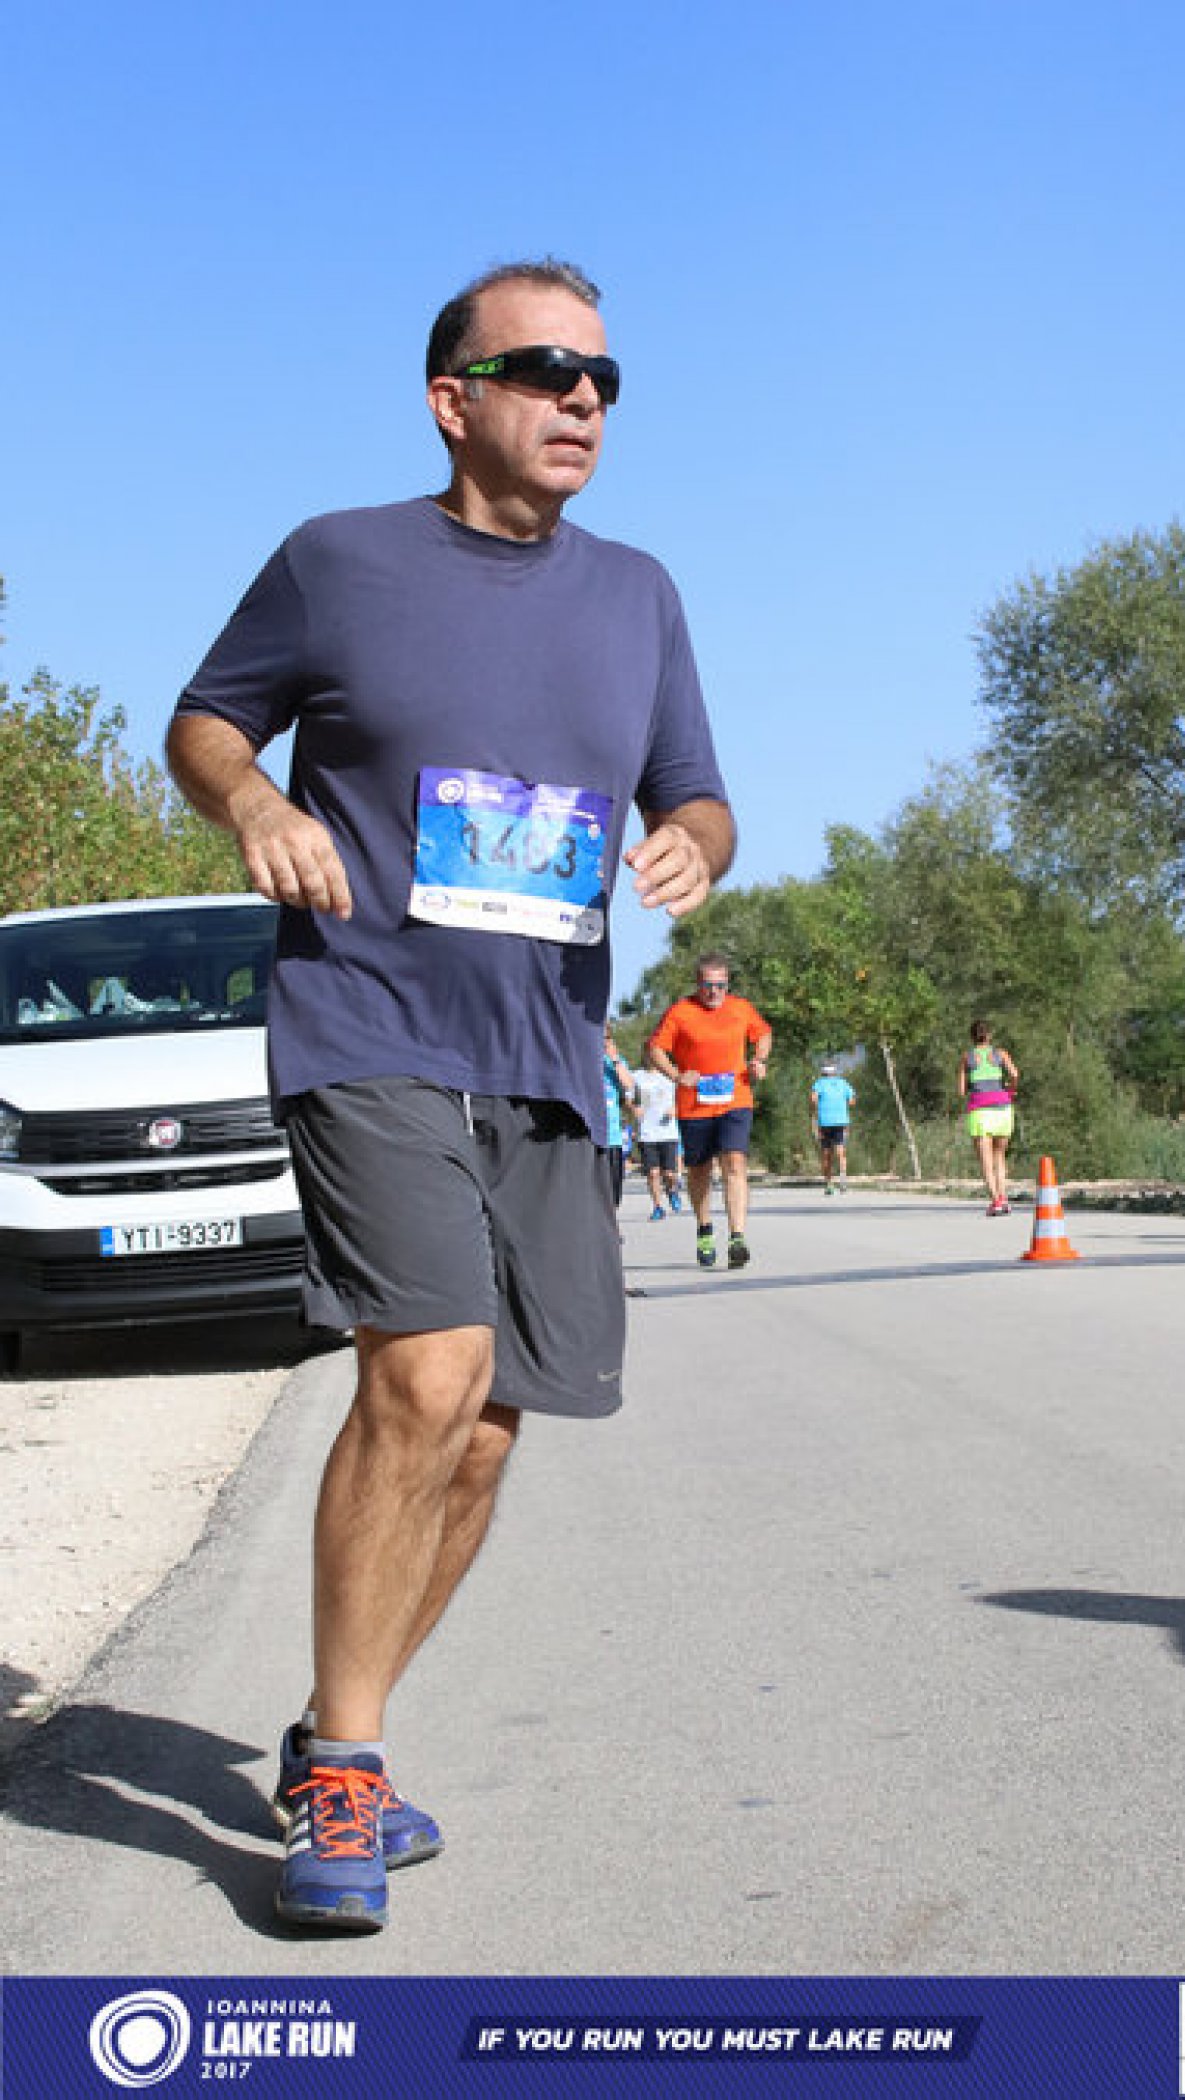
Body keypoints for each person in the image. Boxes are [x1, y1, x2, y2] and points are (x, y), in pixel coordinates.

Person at [165, 257, 734, 1934]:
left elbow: (699, 792)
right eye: (547, 370)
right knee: (426, 1372)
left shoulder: (639, 594)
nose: (583, 400)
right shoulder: (338, 561)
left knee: (484, 1435)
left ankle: (332, 1730)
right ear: (452, 398)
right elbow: (204, 726)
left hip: (548, 1055)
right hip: (368, 1018)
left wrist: (695, 844)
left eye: (605, 380)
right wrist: (256, 808)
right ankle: (349, 1775)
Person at [647, 956, 771, 1269]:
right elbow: (655, 1048)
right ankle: (704, 1229)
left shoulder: (741, 1008)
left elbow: (763, 1034)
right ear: (697, 984)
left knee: (734, 1160)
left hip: (735, 1098)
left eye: (720, 985)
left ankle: (737, 1237)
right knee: (699, 1170)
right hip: (694, 1105)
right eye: (708, 985)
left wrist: (759, 1060)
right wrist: (677, 1075)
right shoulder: (681, 1011)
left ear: (727, 984)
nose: (714, 991)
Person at [958, 1020, 1019, 1215]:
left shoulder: (967, 1057)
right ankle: (1004, 1198)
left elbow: (961, 1091)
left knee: (986, 1161)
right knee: (999, 1156)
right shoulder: (1001, 1054)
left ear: (972, 1037)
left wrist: (972, 1085)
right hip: (1003, 1108)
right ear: (989, 1035)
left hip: (980, 1110)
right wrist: (1011, 1090)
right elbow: (1015, 1074)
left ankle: (996, 1201)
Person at [630, 1060, 684, 1220]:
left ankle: (672, 1190)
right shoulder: (637, 1076)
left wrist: (675, 1109)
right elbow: (629, 1098)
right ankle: (658, 1207)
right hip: (647, 1133)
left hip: (668, 1133)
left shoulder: (671, 1073)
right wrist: (634, 1107)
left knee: (669, 1174)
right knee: (653, 1173)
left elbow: (684, 1097)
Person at [602, 1023, 636, 1211]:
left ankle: (610, 1223)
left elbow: (629, 1084)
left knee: (613, 1193)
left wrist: (614, 1059)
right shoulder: (582, 1058)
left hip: (612, 1137)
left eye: (606, 1038)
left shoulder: (616, 1062)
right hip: (589, 1136)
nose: (603, 1042)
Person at [810, 1059, 856, 1194]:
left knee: (826, 1154)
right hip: (841, 1121)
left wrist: (815, 1112)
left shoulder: (819, 1083)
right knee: (841, 1151)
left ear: (823, 1071)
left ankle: (829, 1184)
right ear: (835, 1071)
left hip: (824, 1122)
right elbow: (852, 1101)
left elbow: (813, 1099)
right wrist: (841, 1104)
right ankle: (843, 1179)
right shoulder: (843, 1083)